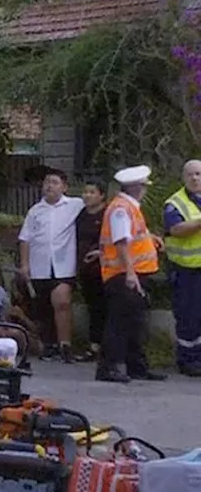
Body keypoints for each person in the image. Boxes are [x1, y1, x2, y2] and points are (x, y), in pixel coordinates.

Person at [96, 165, 167, 384]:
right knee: (120, 322)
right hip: (123, 274)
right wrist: (129, 273)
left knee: (134, 322)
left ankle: (136, 366)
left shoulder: (127, 207)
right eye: (145, 186)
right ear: (137, 187)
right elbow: (121, 242)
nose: (146, 190)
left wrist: (150, 238)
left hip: (131, 272)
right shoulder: (121, 208)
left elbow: (132, 236)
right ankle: (109, 367)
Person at [18, 167, 85, 363]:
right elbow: (25, 238)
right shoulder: (35, 211)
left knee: (62, 302)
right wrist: (24, 264)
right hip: (40, 266)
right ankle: (50, 345)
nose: (49, 186)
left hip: (64, 265)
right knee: (44, 308)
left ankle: (65, 344)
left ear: (64, 187)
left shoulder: (74, 205)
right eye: (47, 182)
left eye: (55, 183)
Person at [163, 159, 201, 377]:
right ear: (183, 177)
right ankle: (188, 360)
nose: (195, 178)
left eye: (198, 174)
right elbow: (176, 229)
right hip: (186, 271)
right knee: (189, 317)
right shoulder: (175, 203)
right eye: (190, 174)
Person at [75, 177, 108, 363]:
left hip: (105, 269)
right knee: (93, 308)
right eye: (85, 192)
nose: (87, 196)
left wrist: (100, 252)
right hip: (86, 270)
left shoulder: (108, 214)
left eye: (92, 192)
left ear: (102, 195)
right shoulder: (81, 215)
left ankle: (108, 347)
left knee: (106, 308)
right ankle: (93, 346)